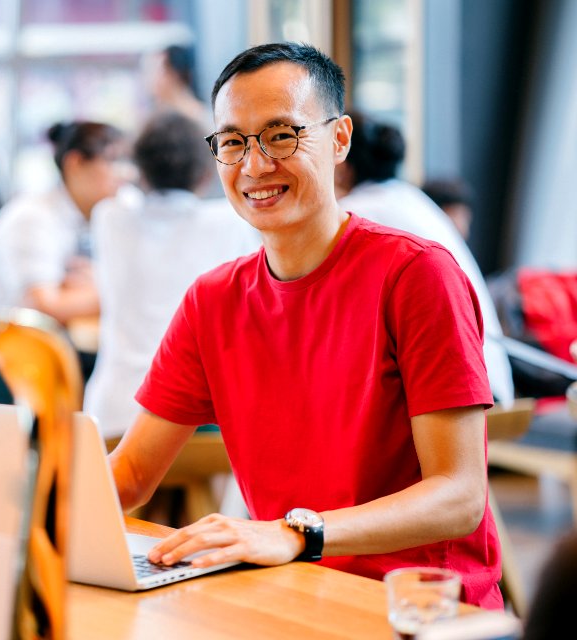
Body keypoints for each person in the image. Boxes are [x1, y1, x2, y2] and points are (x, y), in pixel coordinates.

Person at [109, 43, 502, 609]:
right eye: (233, 142)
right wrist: (16, 510)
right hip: (288, 594)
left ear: (339, 139)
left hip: (415, 609)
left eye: (280, 135)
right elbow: (131, 474)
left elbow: (459, 496)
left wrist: (296, 533)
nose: (254, 165)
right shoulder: (212, 299)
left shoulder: (416, 275)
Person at [84, 111, 261, 438]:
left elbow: (125, 197)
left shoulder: (109, 218)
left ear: (139, 170)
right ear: (207, 174)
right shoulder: (230, 222)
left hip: (115, 416)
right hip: (201, 420)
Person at [334, 110, 514, 407]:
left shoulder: (359, 212)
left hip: (464, 387)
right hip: (487, 377)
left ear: (342, 165)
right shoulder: (407, 197)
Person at [0, 121, 127, 402]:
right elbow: (44, 305)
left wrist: (93, 286)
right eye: (112, 160)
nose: (125, 174)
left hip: (52, 350)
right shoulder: (32, 218)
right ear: (75, 164)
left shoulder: (107, 214)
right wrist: (115, 291)